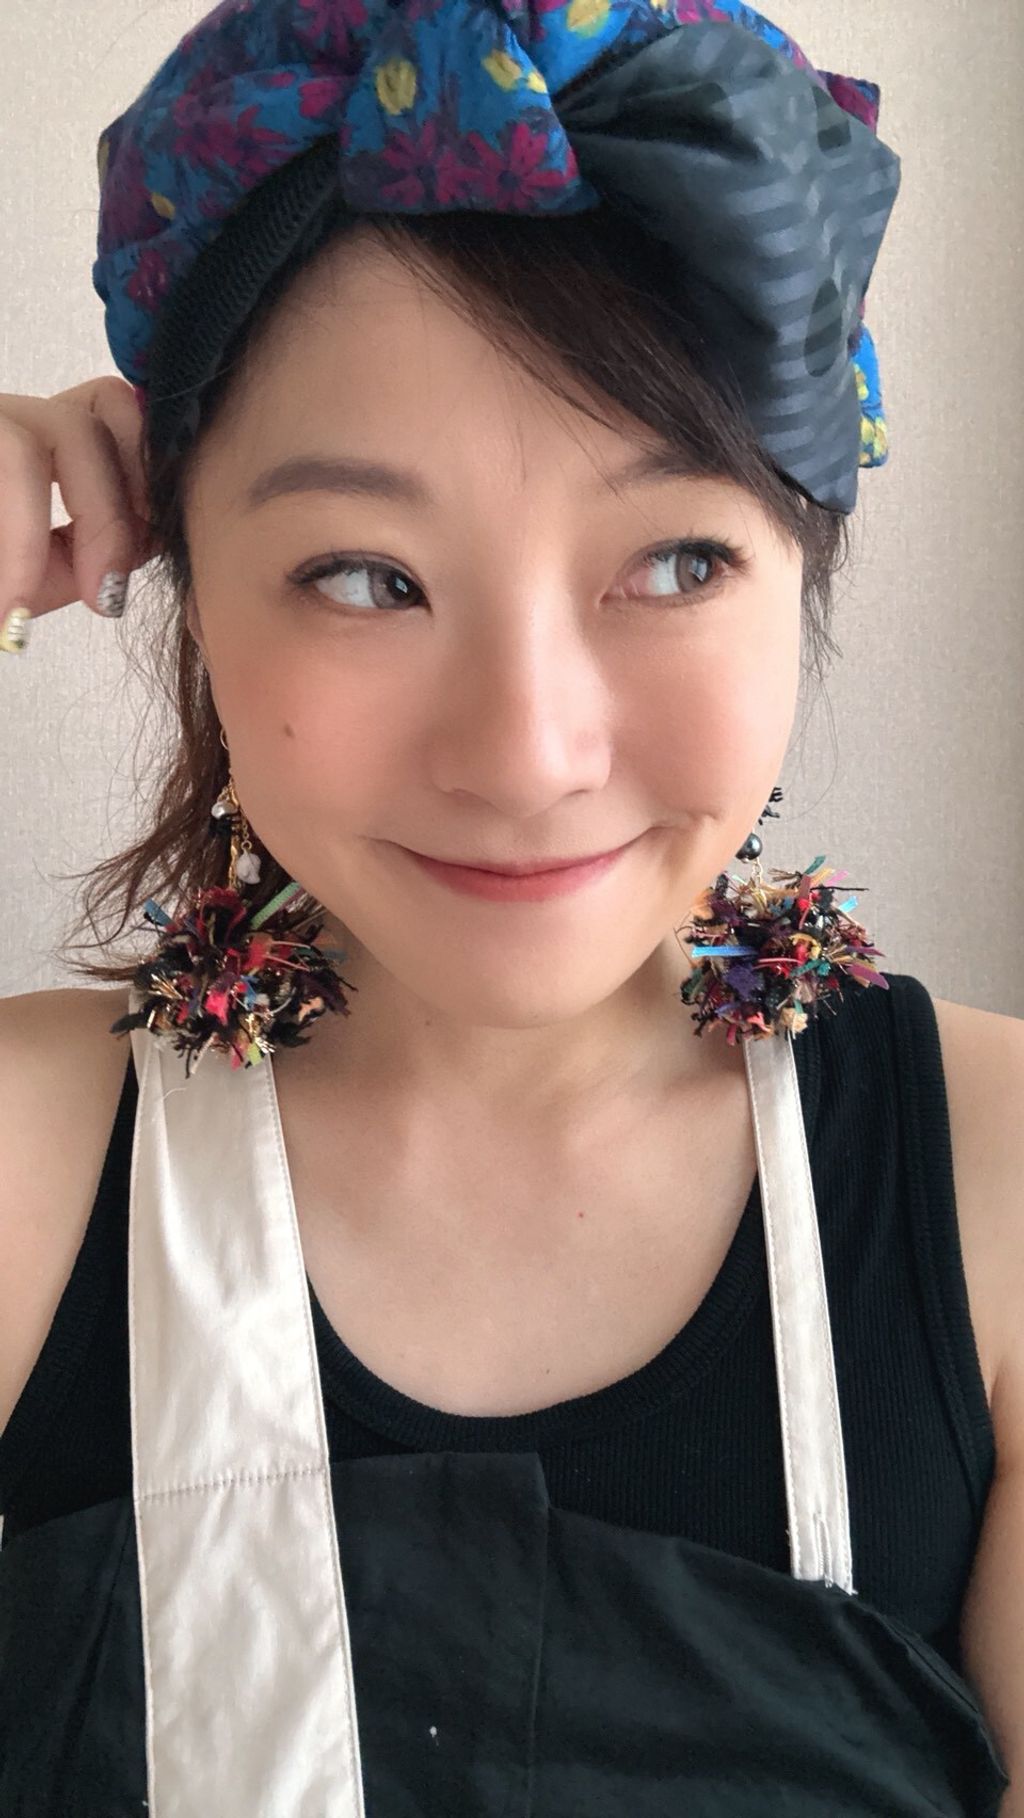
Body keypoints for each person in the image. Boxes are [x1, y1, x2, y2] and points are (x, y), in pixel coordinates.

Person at [0, 1, 1021, 1811]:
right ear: (184, 575)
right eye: (365, 574)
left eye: (678, 559)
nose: (527, 753)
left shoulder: (999, 1186)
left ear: (802, 565)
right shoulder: (29, 1168)